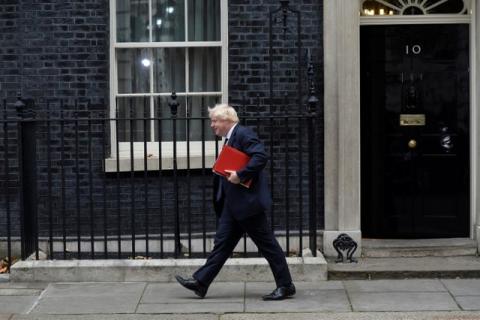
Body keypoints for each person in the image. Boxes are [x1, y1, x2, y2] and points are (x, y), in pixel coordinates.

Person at [175, 103, 295, 301]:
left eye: (215, 121)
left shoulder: (243, 134)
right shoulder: (230, 138)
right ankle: (201, 282)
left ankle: (286, 285)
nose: (212, 125)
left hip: (248, 205)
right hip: (234, 205)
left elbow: (261, 156)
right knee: (222, 245)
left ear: (226, 120)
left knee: (268, 246)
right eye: (212, 121)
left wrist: (240, 174)